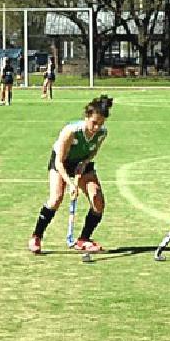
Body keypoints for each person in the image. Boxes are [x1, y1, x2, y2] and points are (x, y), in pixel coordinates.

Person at [28, 95, 113, 254]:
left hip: (81, 163)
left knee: (98, 201)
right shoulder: (71, 132)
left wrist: (84, 164)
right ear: (86, 117)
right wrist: (71, 183)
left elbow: (92, 152)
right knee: (56, 198)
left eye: (100, 124)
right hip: (62, 162)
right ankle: (36, 236)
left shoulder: (102, 133)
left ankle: (84, 239)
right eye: (94, 123)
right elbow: (59, 162)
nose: (96, 127)